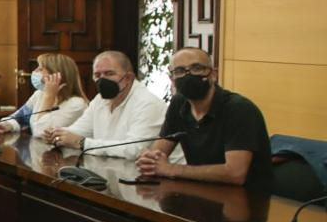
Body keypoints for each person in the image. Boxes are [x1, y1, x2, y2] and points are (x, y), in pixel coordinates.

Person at [136, 48, 273, 187]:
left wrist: (172, 169)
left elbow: (235, 174)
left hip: (247, 199)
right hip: (200, 190)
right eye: (180, 71)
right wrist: (149, 160)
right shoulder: (179, 103)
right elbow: (157, 153)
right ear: (172, 79)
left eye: (196, 68)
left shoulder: (239, 109)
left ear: (213, 74)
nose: (188, 75)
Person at [41, 50, 172, 158]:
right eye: (97, 75)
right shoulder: (100, 100)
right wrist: (57, 135)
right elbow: (79, 130)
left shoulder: (147, 103)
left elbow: (134, 150)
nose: (102, 79)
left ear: (128, 78)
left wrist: (82, 143)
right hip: (111, 171)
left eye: (109, 74)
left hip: (153, 179)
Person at [0, 53, 87, 139]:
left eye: (40, 69)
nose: (35, 72)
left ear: (57, 75)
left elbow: (40, 132)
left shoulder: (76, 104)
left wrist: (48, 98)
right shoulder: (40, 94)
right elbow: (19, 117)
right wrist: (7, 125)